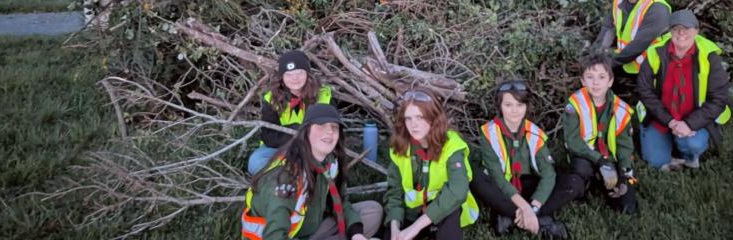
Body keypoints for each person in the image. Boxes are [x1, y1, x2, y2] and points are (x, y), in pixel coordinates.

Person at [242, 104, 383, 240]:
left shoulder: (329, 163)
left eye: (334, 127)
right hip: (283, 235)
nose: (330, 131)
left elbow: (339, 202)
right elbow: (274, 235)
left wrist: (356, 233)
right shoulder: (286, 176)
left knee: (372, 211)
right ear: (306, 131)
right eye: (321, 125)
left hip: (311, 230)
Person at [470, 81, 573, 239]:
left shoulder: (534, 132)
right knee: (475, 176)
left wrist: (534, 207)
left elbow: (548, 174)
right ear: (500, 106)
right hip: (502, 186)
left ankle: (514, 218)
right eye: (508, 105)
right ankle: (542, 221)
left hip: (529, 184)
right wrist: (524, 207)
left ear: (526, 106)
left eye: (520, 105)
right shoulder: (489, 132)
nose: (514, 111)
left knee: (570, 180)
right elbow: (497, 176)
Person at [636, 10, 732, 171]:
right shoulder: (655, 52)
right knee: (656, 161)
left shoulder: (709, 56)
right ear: (670, 31)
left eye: (687, 28)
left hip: (693, 119)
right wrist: (670, 121)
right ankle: (668, 142)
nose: (681, 33)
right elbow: (645, 91)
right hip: (661, 117)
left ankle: (689, 156)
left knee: (693, 144)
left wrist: (689, 124)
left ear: (696, 30)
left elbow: (719, 98)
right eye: (676, 28)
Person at [383, 90, 479, 240]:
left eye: (420, 117)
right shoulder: (400, 147)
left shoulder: (452, 145)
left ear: (434, 118)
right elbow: (394, 192)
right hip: (412, 212)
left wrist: (415, 228)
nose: (413, 125)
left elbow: (457, 190)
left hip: (442, 210)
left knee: (450, 213)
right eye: (408, 119)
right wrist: (394, 227)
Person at [562, 54, 639, 214]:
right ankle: (585, 187)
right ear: (583, 81)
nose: (596, 82)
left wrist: (624, 176)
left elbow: (625, 147)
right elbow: (573, 141)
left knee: (627, 208)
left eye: (601, 77)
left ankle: (609, 185)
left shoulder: (621, 109)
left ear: (610, 81)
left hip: (612, 159)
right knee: (581, 169)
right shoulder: (575, 104)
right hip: (586, 156)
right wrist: (599, 161)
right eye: (590, 77)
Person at [595, 0, 671, 101]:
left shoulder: (656, 8)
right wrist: (597, 53)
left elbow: (639, 45)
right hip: (626, 65)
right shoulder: (618, 0)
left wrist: (606, 63)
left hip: (653, 70)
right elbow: (608, 28)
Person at [248, 50, 333, 175]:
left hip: (313, 148)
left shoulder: (324, 96)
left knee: (328, 162)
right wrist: (297, 133)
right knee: (256, 162)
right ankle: (287, 178)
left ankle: (296, 175)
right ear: (282, 78)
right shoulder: (271, 99)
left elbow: (331, 131)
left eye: (299, 73)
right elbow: (268, 137)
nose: (295, 78)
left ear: (307, 74)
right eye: (288, 74)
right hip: (281, 147)